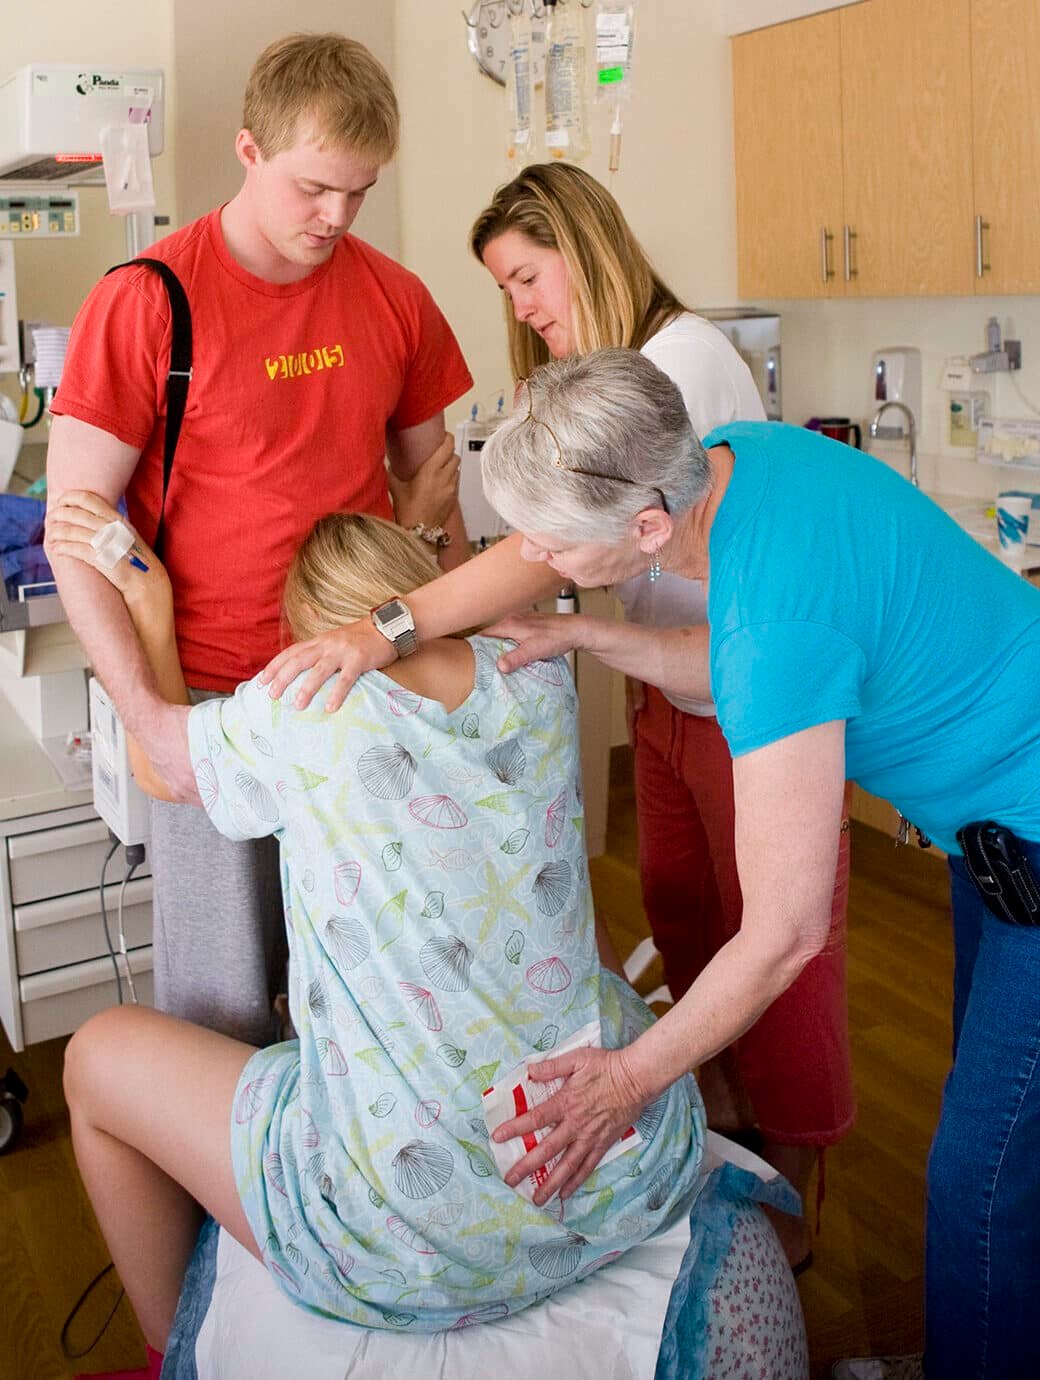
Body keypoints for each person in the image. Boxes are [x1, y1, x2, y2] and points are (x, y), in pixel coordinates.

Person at [47, 491, 806, 1379]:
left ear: (308, 633)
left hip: (403, 1240)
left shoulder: (297, 712)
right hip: (615, 1177)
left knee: (94, 1060)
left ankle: (168, 1348)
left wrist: (149, 607)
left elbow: (161, 764)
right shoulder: (537, 676)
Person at [462, 348, 1038, 1380]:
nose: (528, 550)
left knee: (981, 1184)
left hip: (1027, 835)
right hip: (994, 839)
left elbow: (781, 934)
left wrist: (624, 1082)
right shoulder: (744, 461)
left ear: (643, 531)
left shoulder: (776, 615)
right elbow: (749, 665)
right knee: (1011, 1153)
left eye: (547, 537)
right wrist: (589, 635)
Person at [44, 32, 473, 1050]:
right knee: (225, 1010)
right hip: (214, 706)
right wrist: (149, 718)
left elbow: (433, 492)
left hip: (370, 691)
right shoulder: (148, 301)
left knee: (381, 996)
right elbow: (79, 537)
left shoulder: (392, 297)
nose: (336, 216)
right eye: (314, 187)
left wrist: (461, 649)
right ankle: (231, 1206)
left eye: (359, 193)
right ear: (247, 149)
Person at [469, 163, 854, 1263]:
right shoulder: (617, 372)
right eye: (504, 289)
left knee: (776, 953)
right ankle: (726, 1145)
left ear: (583, 249)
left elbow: (551, 547)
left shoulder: (679, 366)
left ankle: (794, 1206)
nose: (522, 307)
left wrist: (395, 626)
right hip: (668, 685)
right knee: (684, 920)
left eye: (527, 276)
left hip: (747, 701)